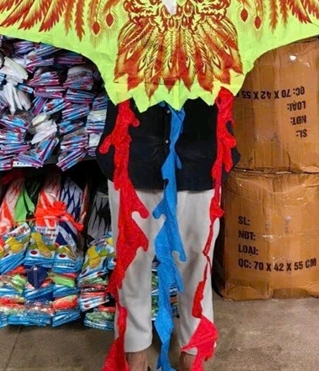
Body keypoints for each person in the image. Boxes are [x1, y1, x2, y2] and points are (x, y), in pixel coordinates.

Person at [97, 98, 238, 371]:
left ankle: (194, 347)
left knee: (197, 259)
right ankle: (134, 350)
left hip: (199, 149)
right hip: (134, 147)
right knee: (132, 261)